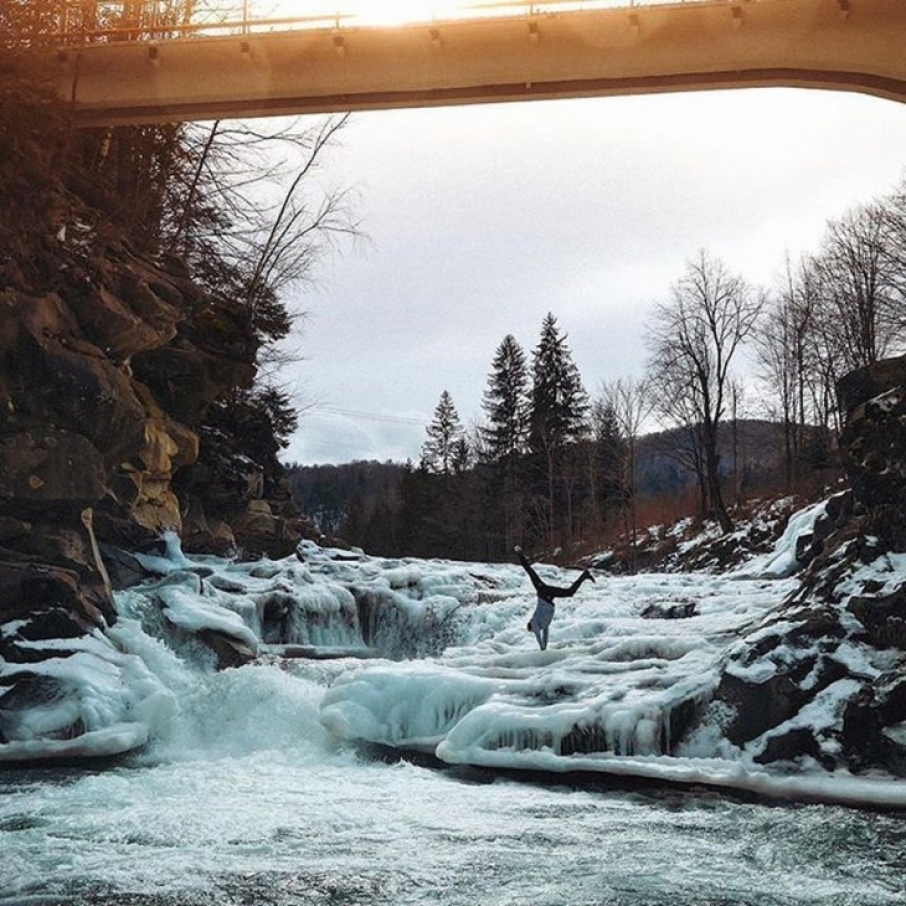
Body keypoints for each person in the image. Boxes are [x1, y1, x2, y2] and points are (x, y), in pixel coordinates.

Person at [515, 546, 595, 651]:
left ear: (531, 627)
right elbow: (545, 634)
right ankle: (584, 576)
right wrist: (544, 648)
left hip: (542, 592)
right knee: (570, 592)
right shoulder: (544, 625)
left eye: (532, 630)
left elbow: (539, 636)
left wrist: (541, 647)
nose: (534, 631)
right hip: (548, 596)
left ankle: (520, 553)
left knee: (530, 571)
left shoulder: (534, 623)